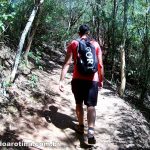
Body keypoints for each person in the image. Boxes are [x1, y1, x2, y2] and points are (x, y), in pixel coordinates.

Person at [59, 24, 104, 144]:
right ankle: (90, 132)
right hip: (92, 80)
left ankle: (80, 126)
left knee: (79, 103)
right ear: (88, 33)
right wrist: (101, 79)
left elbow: (67, 63)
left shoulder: (74, 43)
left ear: (79, 33)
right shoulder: (95, 44)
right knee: (91, 106)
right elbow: (100, 65)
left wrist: (61, 81)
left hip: (77, 79)